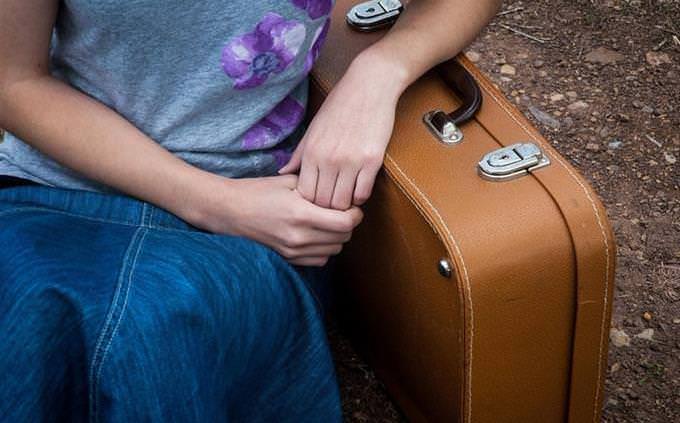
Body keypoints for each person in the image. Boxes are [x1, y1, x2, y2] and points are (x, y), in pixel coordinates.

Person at [0, 0, 501, 421]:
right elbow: (13, 80)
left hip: (255, 218)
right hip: (56, 191)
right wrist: (212, 202)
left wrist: (380, 69)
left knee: (152, 340)